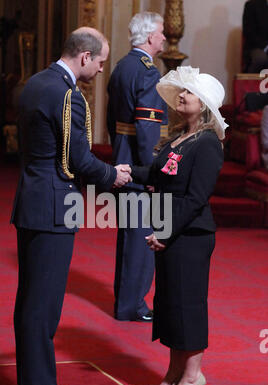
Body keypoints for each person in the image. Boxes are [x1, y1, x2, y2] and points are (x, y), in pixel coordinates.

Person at [11, 27, 132, 385]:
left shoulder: (34, 83)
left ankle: (38, 381)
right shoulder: (67, 96)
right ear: (84, 57)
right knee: (42, 304)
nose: (99, 70)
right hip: (52, 206)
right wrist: (113, 175)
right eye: (99, 62)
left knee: (31, 298)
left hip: (31, 199)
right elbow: (77, 160)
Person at [130, 66, 228, 385]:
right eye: (181, 91)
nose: (181, 96)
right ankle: (173, 372)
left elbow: (195, 198)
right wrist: (128, 171)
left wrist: (166, 232)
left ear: (204, 105)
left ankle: (192, 376)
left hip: (190, 235)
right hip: (170, 231)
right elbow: (159, 174)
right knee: (169, 304)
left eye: (189, 92)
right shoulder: (178, 138)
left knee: (188, 306)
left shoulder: (208, 144)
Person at [107, 11, 168, 322]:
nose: (164, 37)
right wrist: (151, 172)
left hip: (121, 155)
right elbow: (146, 129)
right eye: (160, 33)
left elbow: (110, 118)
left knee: (130, 232)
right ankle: (133, 305)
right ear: (148, 37)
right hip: (137, 163)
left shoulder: (122, 66)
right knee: (141, 235)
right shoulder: (147, 72)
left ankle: (127, 300)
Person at [242, 0, 268, 73]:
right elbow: (248, 32)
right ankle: (252, 83)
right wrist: (265, 47)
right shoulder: (251, 5)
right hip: (257, 47)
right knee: (260, 58)